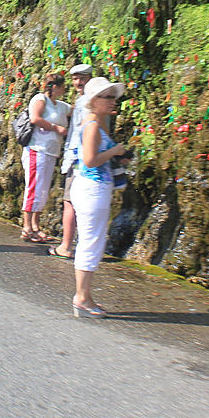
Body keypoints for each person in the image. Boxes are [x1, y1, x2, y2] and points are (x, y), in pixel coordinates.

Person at [69, 77, 129, 318]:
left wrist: (117, 156)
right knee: (91, 242)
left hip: (93, 187)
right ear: (94, 101)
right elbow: (91, 160)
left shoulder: (94, 122)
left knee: (91, 240)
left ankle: (85, 295)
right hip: (92, 188)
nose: (112, 101)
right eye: (107, 97)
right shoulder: (93, 125)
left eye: (113, 97)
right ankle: (82, 297)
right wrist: (115, 151)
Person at [20, 72, 70, 243]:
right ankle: (27, 227)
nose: (65, 89)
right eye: (63, 86)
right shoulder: (40, 99)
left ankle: (36, 226)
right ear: (55, 87)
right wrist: (56, 128)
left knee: (43, 190)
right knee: (33, 188)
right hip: (37, 149)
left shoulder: (61, 106)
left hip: (51, 151)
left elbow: (77, 111)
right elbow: (35, 118)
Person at [51, 63, 93, 259]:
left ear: (90, 78)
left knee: (70, 202)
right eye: (75, 79)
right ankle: (79, 245)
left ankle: (66, 246)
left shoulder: (87, 102)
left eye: (82, 78)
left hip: (78, 158)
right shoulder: (91, 100)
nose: (78, 82)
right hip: (83, 158)